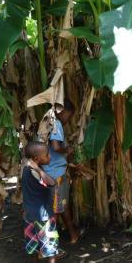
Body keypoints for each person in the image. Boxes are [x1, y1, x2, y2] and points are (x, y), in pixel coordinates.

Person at [22, 141, 67, 263]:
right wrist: (40, 170)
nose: (49, 157)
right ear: (36, 159)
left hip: (29, 215)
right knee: (51, 247)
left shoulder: (25, 169)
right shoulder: (35, 171)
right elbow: (52, 183)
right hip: (44, 216)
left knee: (33, 244)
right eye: (47, 155)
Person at [42, 99, 83, 244]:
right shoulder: (56, 123)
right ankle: (48, 245)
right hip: (56, 174)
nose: (69, 119)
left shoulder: (46, 120)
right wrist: (68, 149)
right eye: (69, 115)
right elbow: (56, 147)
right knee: (56, 209)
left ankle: (73, 234)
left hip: (48, 172)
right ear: (63, 111)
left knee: (62, 206)